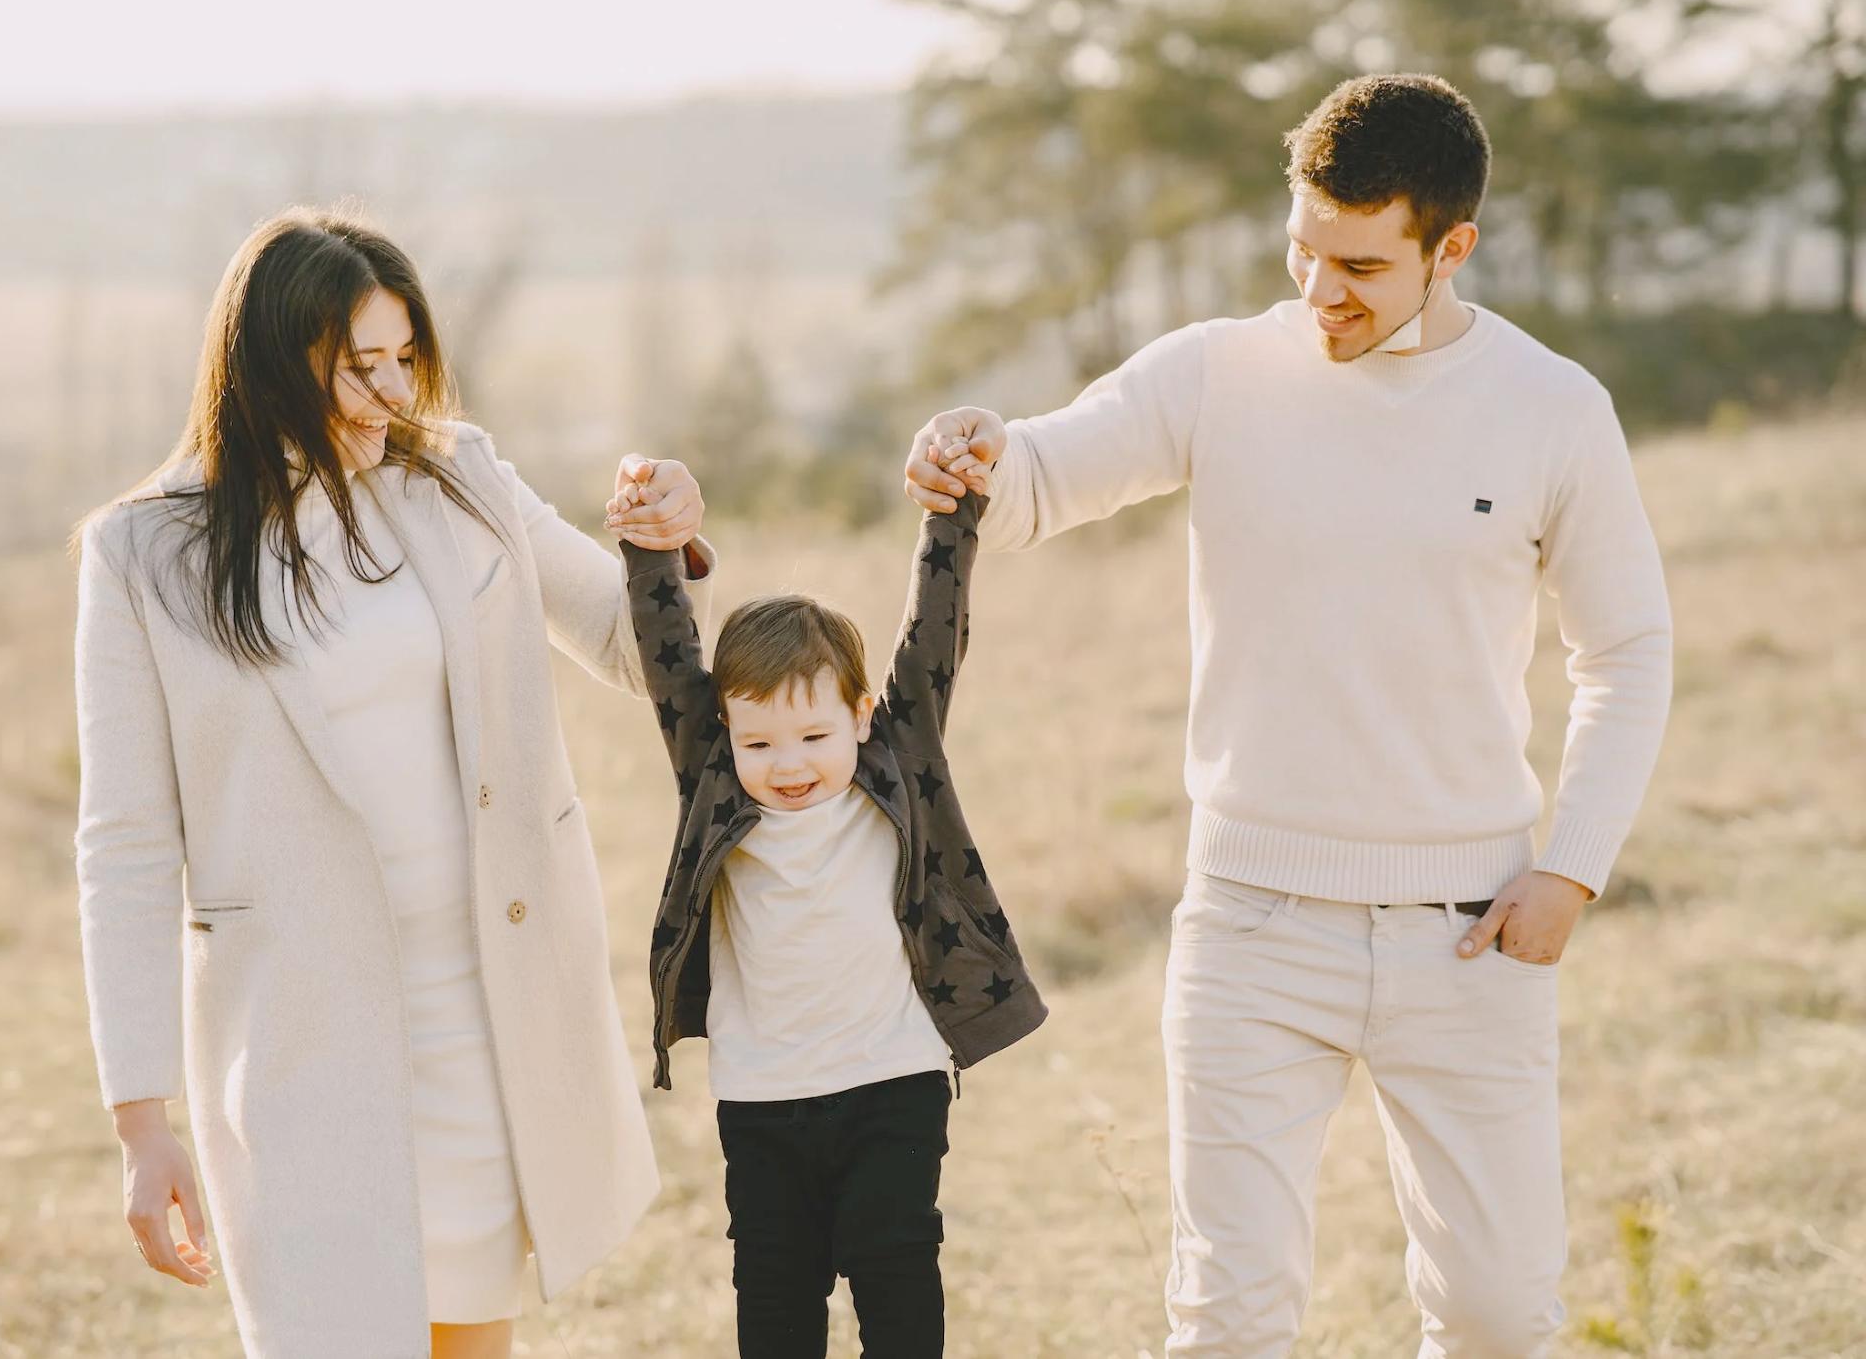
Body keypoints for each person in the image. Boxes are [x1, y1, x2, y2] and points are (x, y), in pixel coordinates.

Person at [905, 75, 1673, 1357]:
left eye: (1360, 265)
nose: (1320, 290)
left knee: (1496, 1316)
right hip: (1249, 929)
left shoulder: (1552, 409)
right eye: (1301, 250)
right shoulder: (1216, 371)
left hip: (1471, 931)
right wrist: (977, 451)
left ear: (1451, 248)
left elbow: (1628, 650)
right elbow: (1042, 471)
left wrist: (1571, 870)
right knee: (1230, 1319)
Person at [71, 207, 709, 1359]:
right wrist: (140, 1123)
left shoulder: (459, 476)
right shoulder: (144, 553)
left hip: (481, 1009)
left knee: (470, 1334)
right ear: (268, 363)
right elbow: (123, 845)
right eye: (354, 365)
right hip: (300, 1039)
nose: (389, 393)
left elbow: (632, 649)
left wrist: (659, 544)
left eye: (403, 357)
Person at [607, 475, 1045, 1357]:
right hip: (762, 1102)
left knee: (898, 1280)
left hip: (893, 1085)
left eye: (814, 736)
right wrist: (652, 547)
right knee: (775, 1301)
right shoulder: (717, 781)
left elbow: (934, 633)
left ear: (859, 714)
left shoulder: (898, 760)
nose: (789, 765)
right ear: (726, 731)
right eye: (759, 741)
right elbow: (668, 655)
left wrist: (951, 510)